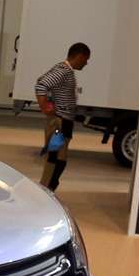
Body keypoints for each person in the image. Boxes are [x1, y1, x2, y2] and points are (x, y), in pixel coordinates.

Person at [34, 42, 89, 191]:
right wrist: (45, 106)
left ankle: (48, 190)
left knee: (59, 159)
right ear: (80, 56)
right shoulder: (63, 70)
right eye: (86, 59)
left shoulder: (66, 71)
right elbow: (41, 85)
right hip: (59, 121)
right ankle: (46, 190)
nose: (86, 63)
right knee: (55, 159)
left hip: (64, 121)